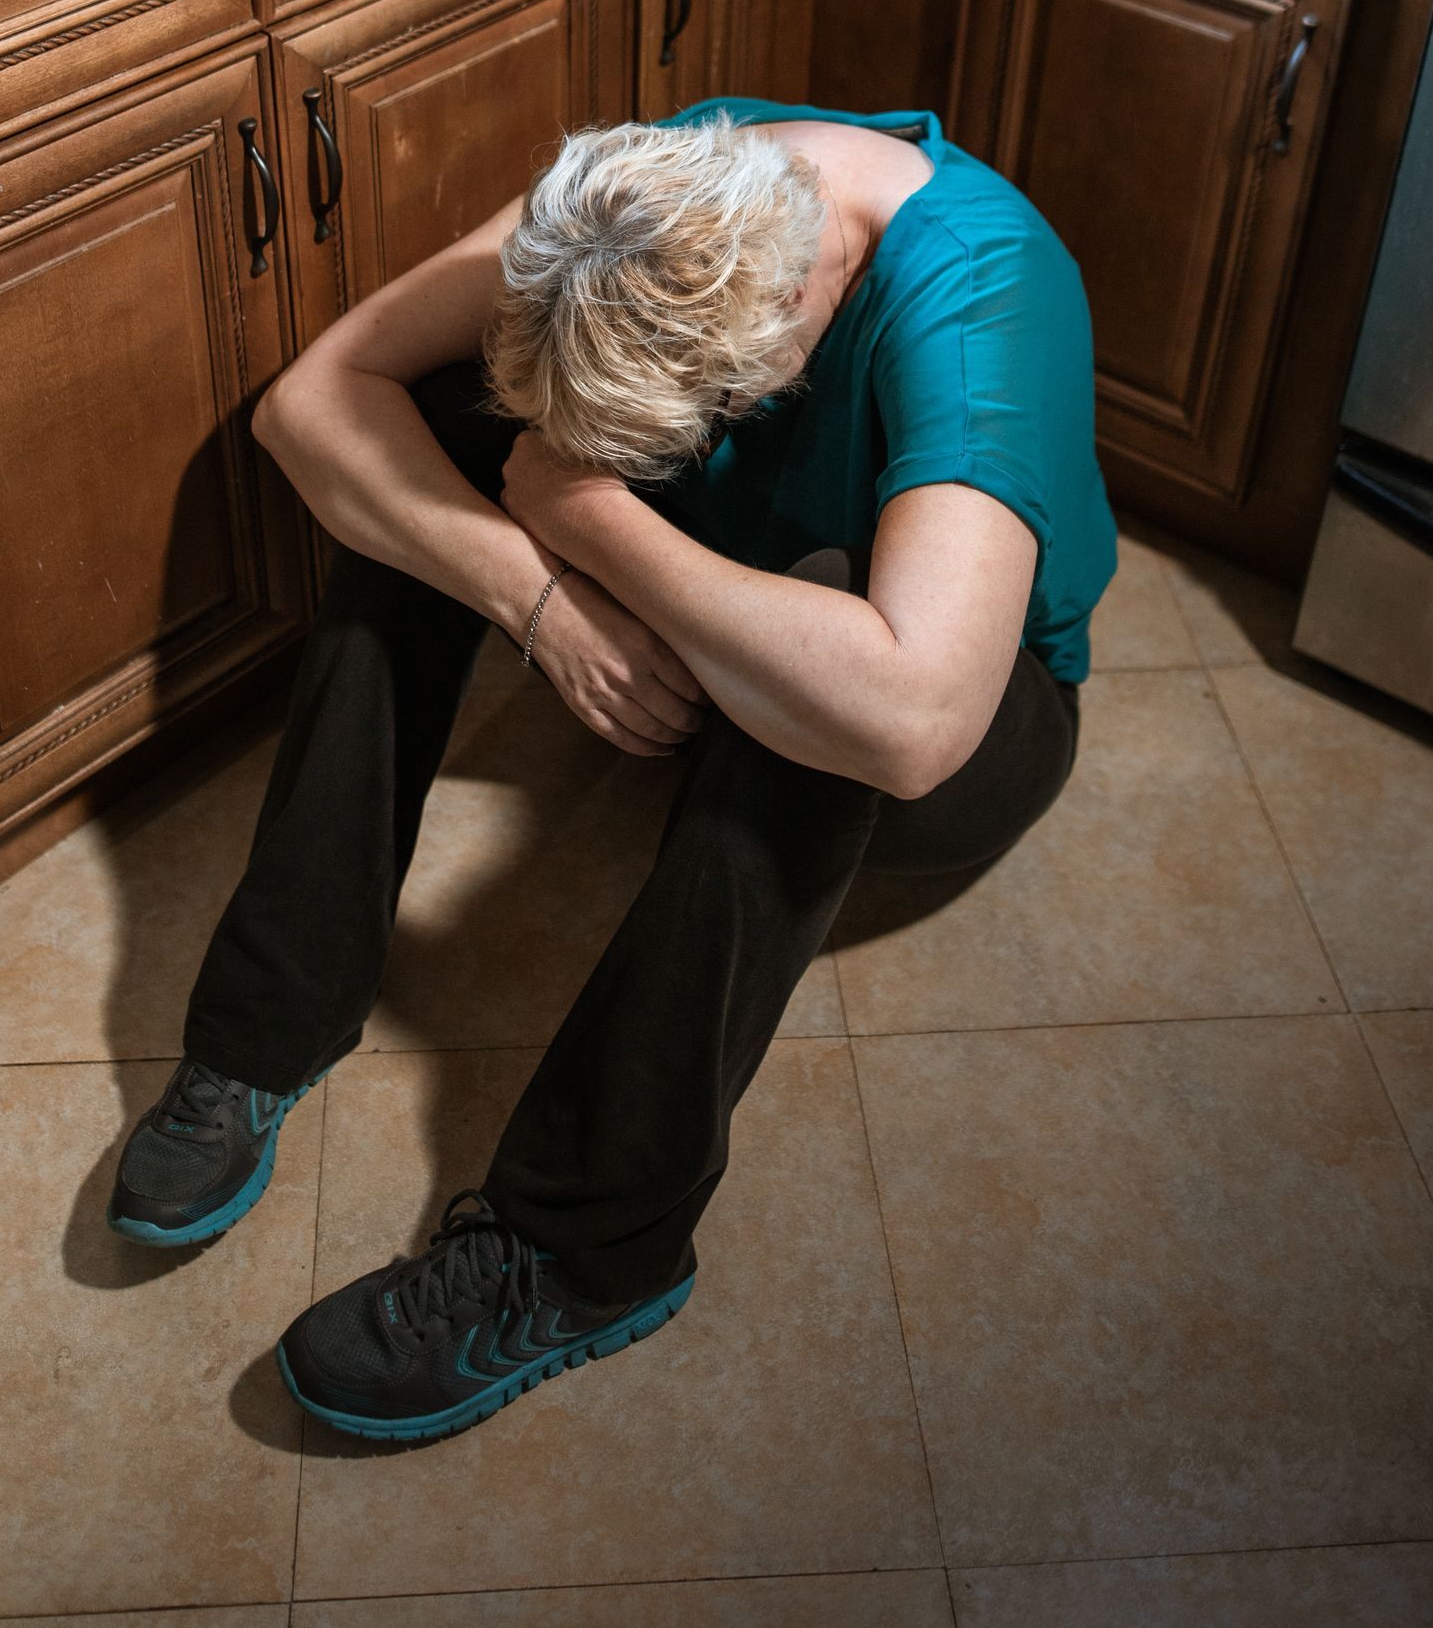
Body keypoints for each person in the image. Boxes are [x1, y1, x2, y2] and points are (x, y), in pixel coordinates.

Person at [108, 98, 1116, 1447]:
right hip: (694, 624)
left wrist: (577, 508)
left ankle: (586, 1253)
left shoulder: (986, 297)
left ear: (783, 346)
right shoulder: (642, 196)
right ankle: (265, 1026)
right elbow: (312, 407)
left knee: (827, 632)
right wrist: (538, 600)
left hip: (962, 734)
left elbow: (917, 718)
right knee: (435, 446)